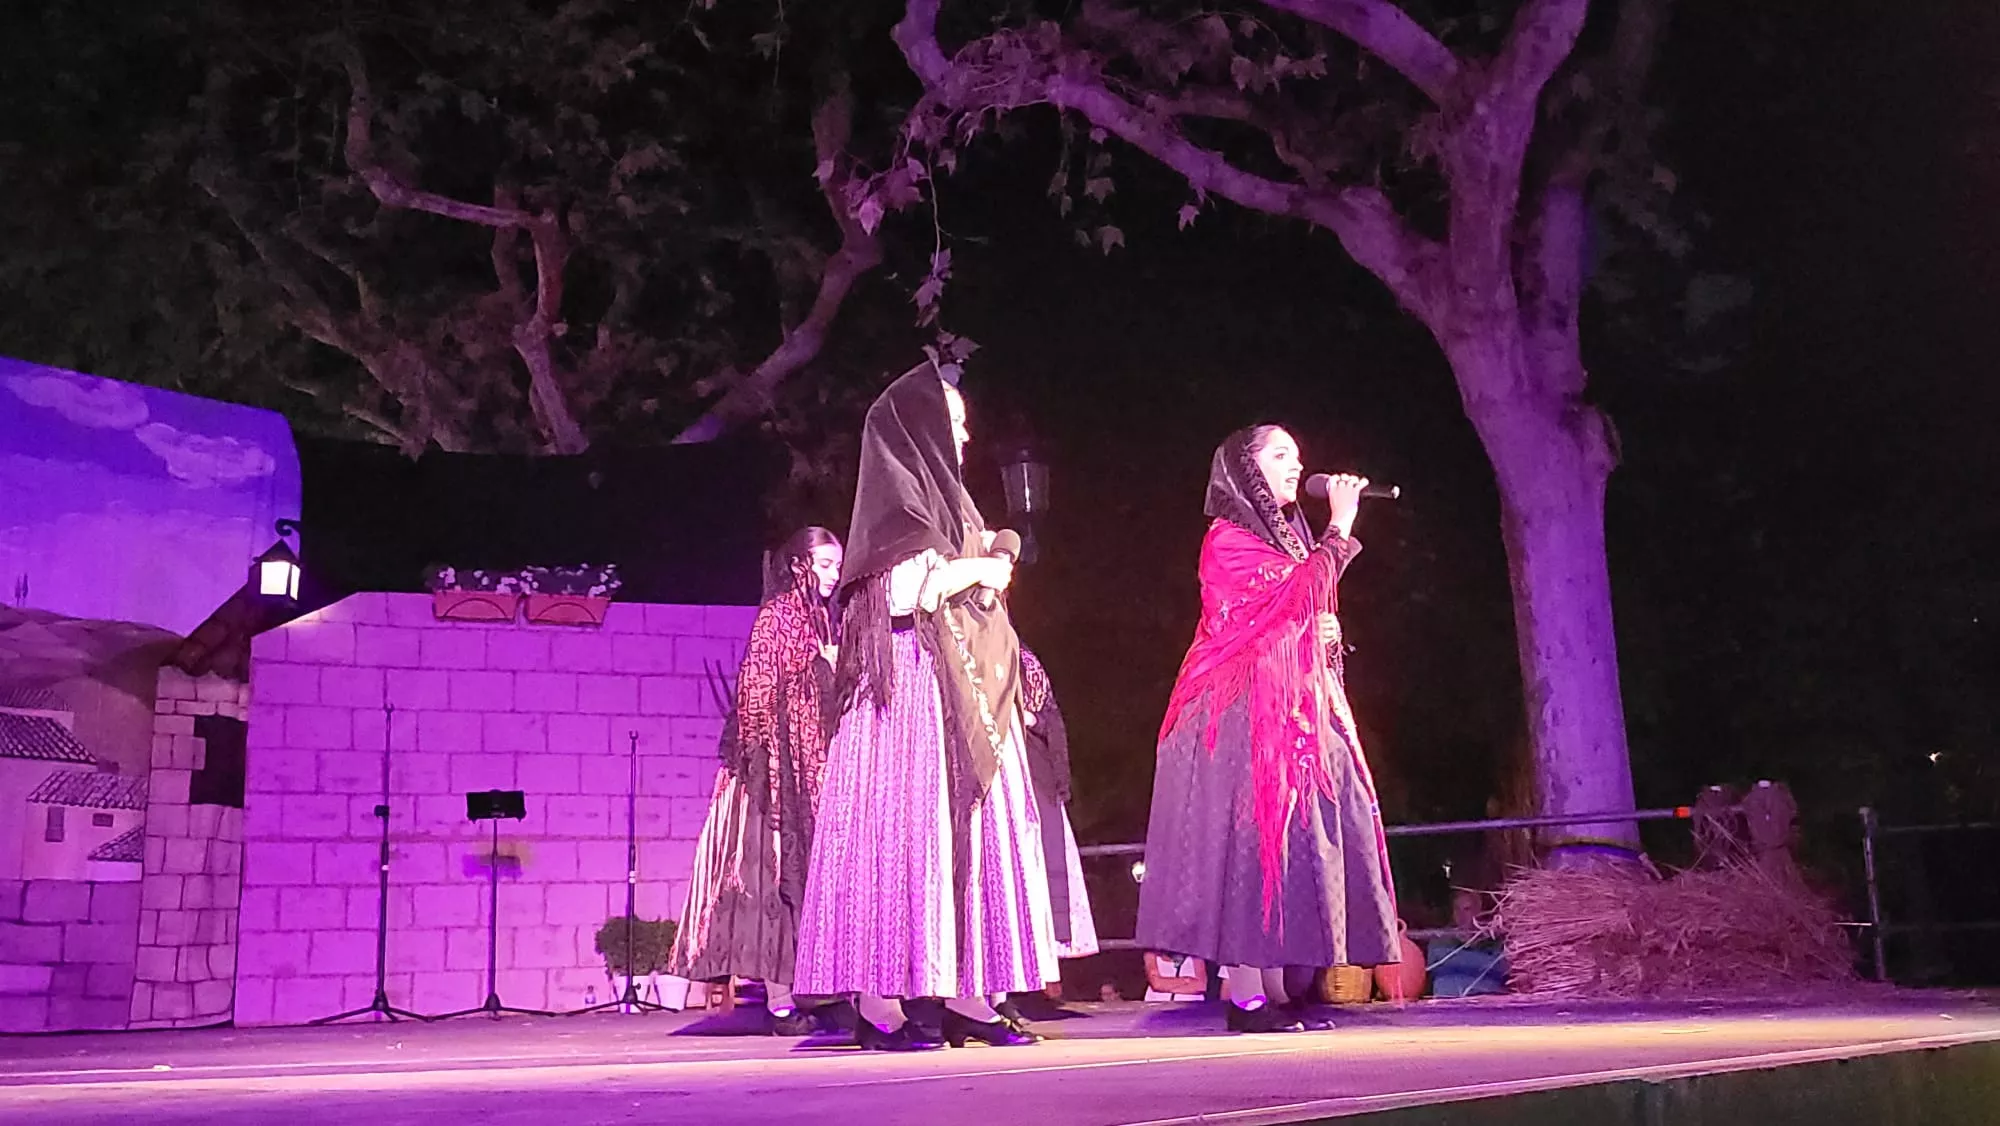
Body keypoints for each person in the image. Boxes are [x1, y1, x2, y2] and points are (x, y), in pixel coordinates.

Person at [794, 361, 1055, 1051]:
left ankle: (970, 995)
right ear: (919, 429)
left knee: (967, 832)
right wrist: (977, 569)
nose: (964, 435)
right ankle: (880, 1006)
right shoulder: (893, 505)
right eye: (954, 422)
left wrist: (986, 566)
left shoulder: (953, 508)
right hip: (905, 693)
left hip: (964, 688)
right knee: (900, 837)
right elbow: (902, 597)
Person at [1134, 425, 1399, 1033]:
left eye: (1298, 456)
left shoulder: (1287, 542)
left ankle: (1277, 987)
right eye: (1280, 455)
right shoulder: (1226, 539)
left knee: (1296, 833)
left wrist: (1325, 636)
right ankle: (1246, 994)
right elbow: (1287, 596)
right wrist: (1342, 526)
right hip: (1237, 713)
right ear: (1246, 470)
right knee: (1251, 840)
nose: (1295, 466)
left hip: (1294, 707)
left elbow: (1302, 600)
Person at [667, 527, 844, 1035]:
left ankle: (819, 990)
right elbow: (757, 694)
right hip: (772, 774)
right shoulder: (777, 617)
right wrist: (765, 770)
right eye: (825, 564)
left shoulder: (824, 620)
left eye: (836, 565)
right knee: (769, 880)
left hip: (814, 768)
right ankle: (782, 1000)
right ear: (798, 565)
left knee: (809, 882)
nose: (833, 575)